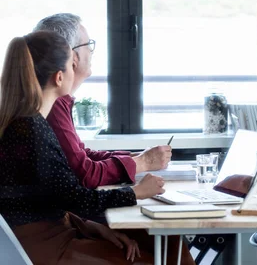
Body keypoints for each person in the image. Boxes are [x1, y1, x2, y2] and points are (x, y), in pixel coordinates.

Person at [0, 30, 194, 265]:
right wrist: (136, 192)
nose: (76, 71)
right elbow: (75, 198)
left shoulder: (28, 123)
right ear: (59, 78)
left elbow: (54, 197)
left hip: (51, 234)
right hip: (46, 247)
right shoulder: (31, 129)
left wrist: (92, 227)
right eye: (72, 66)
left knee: (166, 245)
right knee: (154, 258)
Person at [34, 13, 172, 189]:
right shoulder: (53, 104)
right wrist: (143, 162)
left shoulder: (55, 100)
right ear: (72, 57)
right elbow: (84, 174)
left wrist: (135, 157)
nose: (91, 51)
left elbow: (82, 155)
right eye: (88, 45)